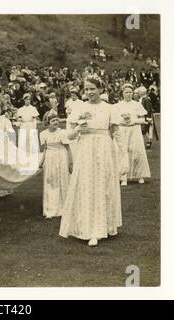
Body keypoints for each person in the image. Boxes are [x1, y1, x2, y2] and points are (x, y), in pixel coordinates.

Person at [59, 76, 126, 246]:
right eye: (86, 89)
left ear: (101, 89)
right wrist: (78, 129)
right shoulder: (80, 107)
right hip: (85, 149)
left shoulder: (110, 108)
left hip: (104, 148)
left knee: (103, 185)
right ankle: (87, 228)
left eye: (92, 89)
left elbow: (117, 132)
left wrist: (123, 154)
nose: (89, 92)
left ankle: (102, 227)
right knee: (86, 185)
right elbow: (69, 135)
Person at [115, 84, 151, 185]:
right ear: (122, 93)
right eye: (126, 92)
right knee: (122, 152)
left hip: (134, 130)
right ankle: (123, 177)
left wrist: (133, 121)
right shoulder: (118, 105)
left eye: (130, 92)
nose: (128, 94)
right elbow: (114, 120)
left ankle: (139, 175)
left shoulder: (137, 104)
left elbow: (142, 119)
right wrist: (122, 121)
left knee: (136, 151)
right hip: (122, 130)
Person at [39, 110, 72, 218]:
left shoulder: (62, 133)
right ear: (48, 122)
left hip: (61, 156)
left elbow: (68, 148)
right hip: (50, 158)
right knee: (51, 181)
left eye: (57, 119)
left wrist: (70, 162)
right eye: (53, 120)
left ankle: (65, 207)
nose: (56, 122)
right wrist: (41, 162)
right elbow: (44, 149)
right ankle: (51, 207)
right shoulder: (43, 134)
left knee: (62, 180)